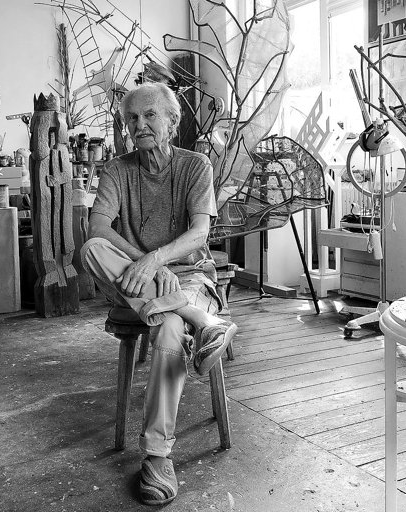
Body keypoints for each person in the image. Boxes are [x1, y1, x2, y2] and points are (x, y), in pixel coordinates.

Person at [80, 82, 237, 506]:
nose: (140, 124)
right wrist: (149, 265)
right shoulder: (117, 170)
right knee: (91, 249)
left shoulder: (195, 165)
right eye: (132, 118)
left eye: (150, 115)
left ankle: (156, 455)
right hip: (137, 280)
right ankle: (202, 321)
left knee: (168, 329)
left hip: (188, 276)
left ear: (172, 120)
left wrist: (158, 260)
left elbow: (200, 233)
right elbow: (98, 229)